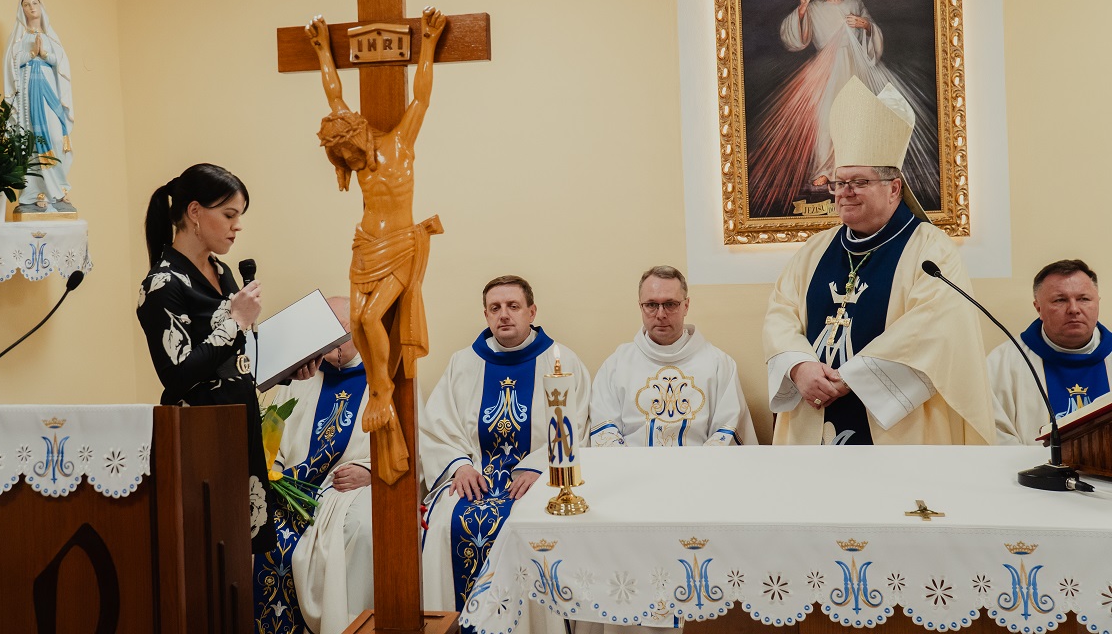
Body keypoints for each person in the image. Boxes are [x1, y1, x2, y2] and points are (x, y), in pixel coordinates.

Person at [763, 77, 996, 445]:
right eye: (839, 182)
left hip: (896, 426)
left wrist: (852, 377)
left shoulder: (930, 249)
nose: (845, 193)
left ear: (894, 188)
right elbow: (781, 313)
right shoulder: (815, 250)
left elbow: (936, 329)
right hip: (813, 412)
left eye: (859, 182)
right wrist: (799, 365)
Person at [306, 7, 447, 483]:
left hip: (402, 246)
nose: (352, 162)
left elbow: (421, 96)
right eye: (343, 158)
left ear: (360, 134)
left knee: (368, 319)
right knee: (358, 323)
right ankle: (378, 390)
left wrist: (428, 43)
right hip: (365, 245)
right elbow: (334, 94)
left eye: (351, 151)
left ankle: (381, 391)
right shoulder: (356, 158)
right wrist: (323, 50)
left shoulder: (400, 145)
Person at [420, 275, 590, 616]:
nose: (504, 315)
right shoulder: (463, 363)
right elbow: (437, 427)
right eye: (495, 308)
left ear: (531, 311)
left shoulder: (562, 361)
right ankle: (452, 623)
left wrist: (542, 469)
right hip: (474, 477)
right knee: (442, 524)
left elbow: (577, 425)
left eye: (513, 306)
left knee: (537, 528)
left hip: (536, 481)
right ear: (486, 315)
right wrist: (459, 467)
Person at [136, 163, 274, 551]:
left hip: (238, 423)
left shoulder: (221, 270)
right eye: (229, 215)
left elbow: (230, 357)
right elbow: (177, 374)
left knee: (240, 552)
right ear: (194, 212)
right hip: (200, 437)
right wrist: (236, 321)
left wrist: (288, 369)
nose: (237, 226)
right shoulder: (163, 283)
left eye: (238, 216)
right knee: (208, 553)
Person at [747, 0, 939, 218]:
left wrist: (865, 25)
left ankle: (856, 174)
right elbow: (796, 39)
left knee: (857, 120)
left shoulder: (855, 4)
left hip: (855, 66)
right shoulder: (815, 8)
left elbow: (872, 31)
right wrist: (803, 8)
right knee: (826, 117)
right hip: (828, 67)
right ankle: (825, 171)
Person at [254, 297, 374, 634]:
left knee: (361, 529)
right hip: (294, 486)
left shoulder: (383, 376)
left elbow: (408, 444)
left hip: (346, 489)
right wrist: (272, 471)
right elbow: (272, 440)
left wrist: (371, 472)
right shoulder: (300, 377)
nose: (332, 342)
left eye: (340, 331)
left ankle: (345, 622)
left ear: (360, 330)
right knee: (257, 529)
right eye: (325, 332)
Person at [590, 265, 757, 447]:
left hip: (700, 464)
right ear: (640, 307)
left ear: (686, 306)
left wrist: (698, 464)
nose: (661, 314)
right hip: (633, 464)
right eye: (651, 305)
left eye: (670, 304)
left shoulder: (719, 364)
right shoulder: (617, 364)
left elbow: (727, 429)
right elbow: (605, 429)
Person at [987, 260, 1112, 445]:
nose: (1074, 309)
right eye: (1060, 300)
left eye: (1084, 299)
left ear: (1097, 302)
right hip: (1033, 464)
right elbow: (994, 433)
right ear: (1038, 308)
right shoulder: (1002, 364)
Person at [3, 0, 76, 213]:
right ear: (21, 11)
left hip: (49, 92)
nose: (31, 7)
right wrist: (31, 53)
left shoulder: (51, 37)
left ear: (41, 7)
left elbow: (61, 65)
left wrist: (44, 54)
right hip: (28, 95)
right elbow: (11, 64)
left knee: (56, 137)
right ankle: (35, 193)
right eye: (26, 4)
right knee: (31, 141)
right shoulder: (18, 37)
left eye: (35, 3)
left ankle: (59, 188)